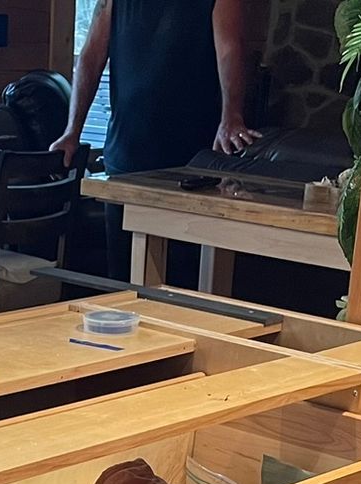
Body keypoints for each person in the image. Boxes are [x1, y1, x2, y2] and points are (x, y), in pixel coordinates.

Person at [52, 0, 260, 278]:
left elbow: (230, 48)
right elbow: (91, 55)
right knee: (123, 278)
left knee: (184, 275)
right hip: (126, 156)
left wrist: (231, 116)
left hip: (193, 162)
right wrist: (72, 132)